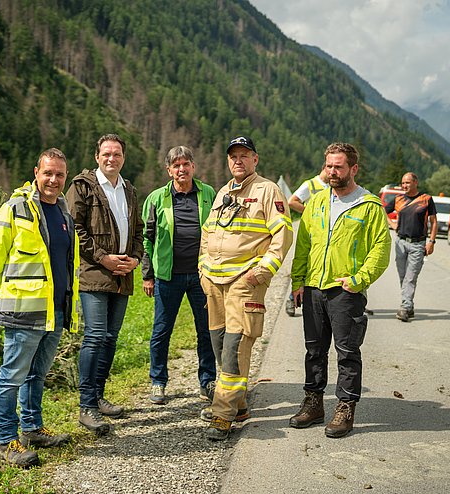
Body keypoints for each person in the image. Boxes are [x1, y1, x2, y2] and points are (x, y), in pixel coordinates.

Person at [0, 148, 79, 467]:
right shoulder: (15, 208)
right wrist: (10, 292)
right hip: (24, 310)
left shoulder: (64, 213)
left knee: (37, 373)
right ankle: (6, 441)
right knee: (12, 376)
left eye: (60, 174)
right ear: (36, 172)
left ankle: (32, 429)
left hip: (56, 309)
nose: (53, 179)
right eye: (48, 172)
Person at [290, 142, 391, 439]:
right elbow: (304, 244)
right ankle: (313, 403)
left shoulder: (369, 205)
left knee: (347, 352)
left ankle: (345, 407)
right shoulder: (318, 202)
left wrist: (359, 279)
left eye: (339, 167)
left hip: (346, 291)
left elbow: (381, 249)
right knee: (314, 350)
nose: (332, 172)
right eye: (329, 166)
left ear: (353, 169)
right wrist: (298, 281)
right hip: (313, 288)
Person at [198, 135, 293, 441]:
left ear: (255, 159)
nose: (237, 160)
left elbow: (283, 235)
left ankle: (222, 415)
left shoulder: (268, 190)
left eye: (244, 155)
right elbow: (207, 231)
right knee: (218, 344)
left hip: (244, 282)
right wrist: (202, 268)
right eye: (233, 156)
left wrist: (261, 272)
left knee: (234, 349)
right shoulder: (224, 191)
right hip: (214, 283)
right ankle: (238, 405)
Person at [66, 133, 144, 435]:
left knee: (111, 338)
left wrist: (135, 258)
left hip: (123, 274)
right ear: (97, 156)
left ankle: (98, 397)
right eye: (106, 154)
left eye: (117, 154)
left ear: (123, 158)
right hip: (94, 273)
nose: (112, 158)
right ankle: (86, 406)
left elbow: (137, 229)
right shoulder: (82, 187)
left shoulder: (129, 189)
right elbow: (76, 229)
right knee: (95, 336)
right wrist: (104, 258)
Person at [141, 146, 217, 406]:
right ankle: (158, 381)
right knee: (162, 330)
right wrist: (147, 276)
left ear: (193, 166)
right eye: (176, 165)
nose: (181, 169)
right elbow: (147, 239)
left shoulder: (208, 194)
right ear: (169, 170)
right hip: (167, 276)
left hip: (201, 276)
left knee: (207, 329)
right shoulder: (155, 198)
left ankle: (207, 380)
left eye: (186, 164)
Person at [383, 172, 437, 322]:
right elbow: (382, 210)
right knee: (403, 276)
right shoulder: (398, 199)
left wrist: (431, 242)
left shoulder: (426, 199)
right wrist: (391, 223)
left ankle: (405, 307)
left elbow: (434, 222)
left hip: (418, 244)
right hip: (400, 242)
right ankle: (409, 305)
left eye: (407, 182)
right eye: (403, 183)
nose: (404, 186)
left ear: (415, 182)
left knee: (410, 277)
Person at [284, 165, 329, 317]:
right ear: (324, 168)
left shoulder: (332, 187)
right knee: (305, 266)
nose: (332, 172)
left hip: (326, 233)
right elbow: (292, 201)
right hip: (311, 232)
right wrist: (310, 212)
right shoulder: (310, 185)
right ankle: (292, 298)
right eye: (329, 167)